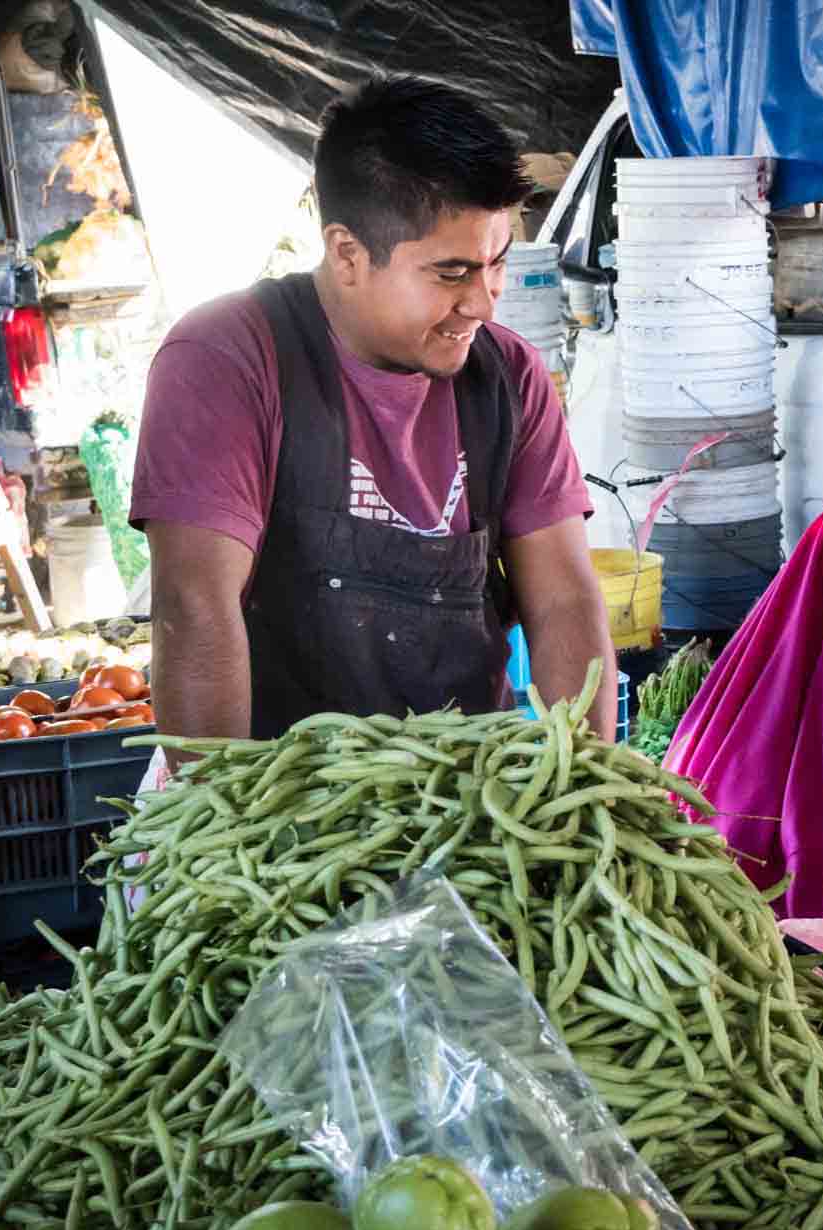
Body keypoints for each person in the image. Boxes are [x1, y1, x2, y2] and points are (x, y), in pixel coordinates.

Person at [131, 77, 613, 743]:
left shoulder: (509, 379)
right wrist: (230, 820)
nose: (483, 302)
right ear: (348, 254)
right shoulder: (226, 359)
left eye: (495, 262)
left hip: (466, 798)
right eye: (451, 274)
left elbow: (563, 599)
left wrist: (581, 786)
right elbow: (193, 608)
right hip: (281, 801)